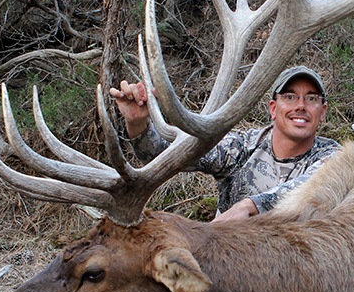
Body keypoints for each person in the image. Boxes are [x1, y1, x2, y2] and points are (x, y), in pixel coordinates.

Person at [110, 66, 341, 222]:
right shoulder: (241, 147)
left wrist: (247, 207)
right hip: (227, 261)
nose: (300, 105)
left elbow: (314, 185)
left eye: (311, 98)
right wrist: (138, 123)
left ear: (322, 113)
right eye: (290, 97)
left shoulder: (334, 158)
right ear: (273, 108)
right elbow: (160, 155)